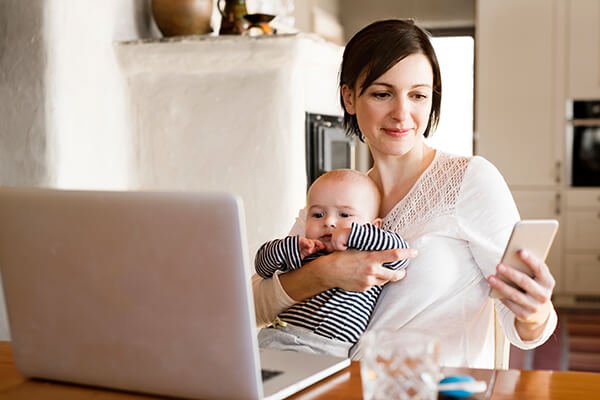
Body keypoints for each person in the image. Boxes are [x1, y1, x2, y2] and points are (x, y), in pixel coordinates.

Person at [252, 19, 558, 368]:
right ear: (349, 98)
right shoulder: (335, 197)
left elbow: (526, 327)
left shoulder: (470, 180)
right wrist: (328, 273)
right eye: (383, 94)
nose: (401, 114)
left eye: (417, 95)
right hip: (337, 387)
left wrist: (534, 313)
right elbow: (257, 304)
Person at [255, 169, 410, 357]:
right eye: (318, 214)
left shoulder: (371, 254)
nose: (329, 221)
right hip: (277, 337)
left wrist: (353, 234)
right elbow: (262, 267)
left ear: (374, 227)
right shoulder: (307, 251)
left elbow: (400, 254)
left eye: (345, 215)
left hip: (327, 350)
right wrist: (291, 247)